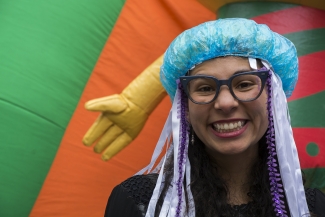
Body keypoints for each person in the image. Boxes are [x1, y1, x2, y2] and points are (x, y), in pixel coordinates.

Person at [103, 18, 325, 217]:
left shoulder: (309, 207)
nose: (225, 103)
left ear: (273, 99)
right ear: (185, 109)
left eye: (245, 84)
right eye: (205, 88)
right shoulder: (141, 202)